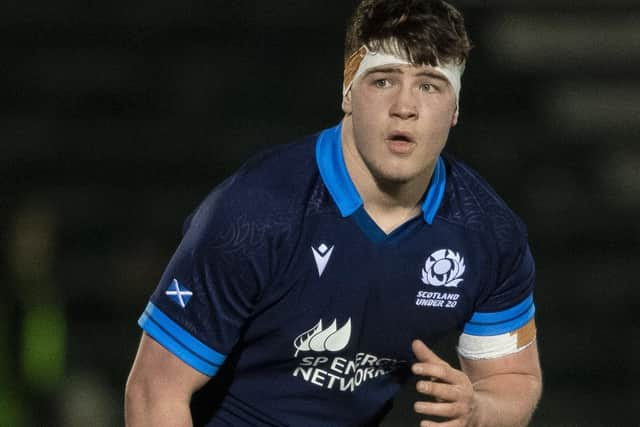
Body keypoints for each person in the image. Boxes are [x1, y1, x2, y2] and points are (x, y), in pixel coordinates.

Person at [125, 0, 542, 425]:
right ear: (347, 91)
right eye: (383, 81)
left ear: (454, 109)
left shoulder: (491, 235)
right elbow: (155, 390)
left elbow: (512, 380)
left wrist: (478, 411)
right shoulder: (255, 211)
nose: (405, 106)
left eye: (430, 85)